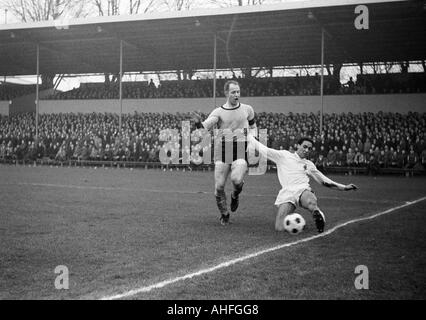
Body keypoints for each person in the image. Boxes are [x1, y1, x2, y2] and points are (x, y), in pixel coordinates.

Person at [247, 135, 357, 233]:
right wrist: (248, 136)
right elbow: (263, 149)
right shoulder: (283, 156)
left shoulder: (309, 164)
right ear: (298, 145)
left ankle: (317, 214)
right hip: (287, 192)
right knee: (279, 228)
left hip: (302, 189)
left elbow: (324, 181)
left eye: (309, 148)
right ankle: (300, 223)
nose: (307, 150)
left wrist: (344, 187)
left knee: (310, 201)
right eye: (304, 147)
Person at [191, 80, 257, 225]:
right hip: (222, 150)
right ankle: (225, 214)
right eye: (233, 92)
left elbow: (253, 127)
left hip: (240, 148)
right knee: (219, 186)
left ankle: (235, 194)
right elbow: (203, 130)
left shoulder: (247, 109)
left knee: (237, 180)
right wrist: (197, 123)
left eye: (238, 91)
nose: (236, 94)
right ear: (226, 93)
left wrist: (253, 141)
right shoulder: (219, 112)